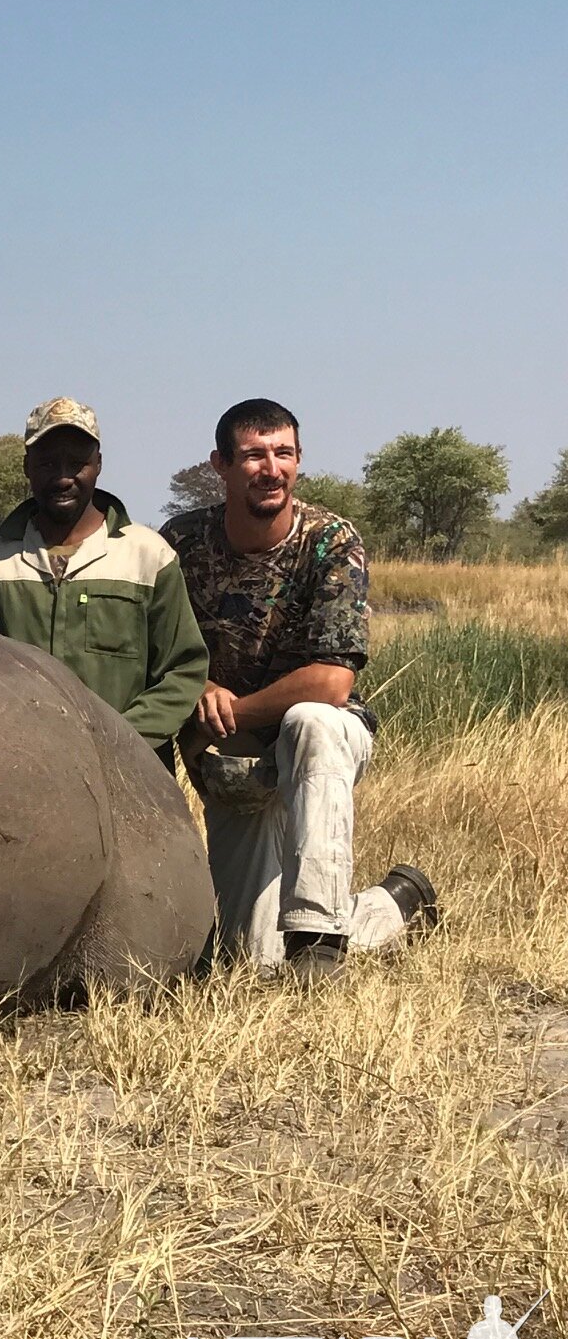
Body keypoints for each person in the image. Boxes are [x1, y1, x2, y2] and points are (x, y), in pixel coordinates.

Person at [162, 398, 437, 976]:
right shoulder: (180, 543)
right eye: (254, 455)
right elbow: (160, 651)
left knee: (311, 720)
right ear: (221, 465)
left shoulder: (330, 539)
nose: (271, 468)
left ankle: (318, 939)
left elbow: (333, 680)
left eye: (283, 453)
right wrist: (199, 685)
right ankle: (395, 904)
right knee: (248, 959)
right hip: (231, 764)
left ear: (298, 459)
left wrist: (230, 708)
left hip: (319, 744)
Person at [0, 397, 208, 768]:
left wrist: (116, 739)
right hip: (19, 768)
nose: (63, 477)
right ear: (27, 467)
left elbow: (183, 671)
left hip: (131, 771)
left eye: (77, 463)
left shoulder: (149, 557)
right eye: (46, 463)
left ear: (98, 465)